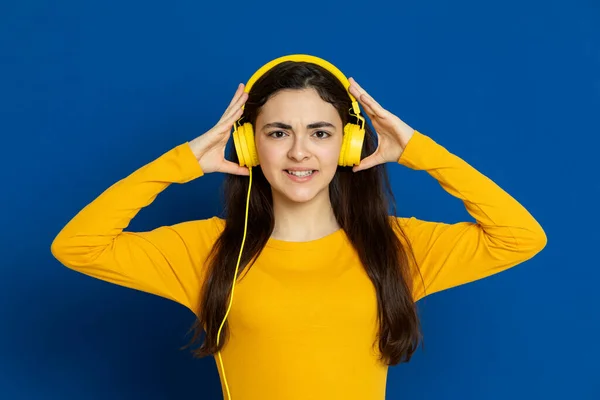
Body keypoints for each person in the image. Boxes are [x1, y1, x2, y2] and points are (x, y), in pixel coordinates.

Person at [51, 55, 547, 400]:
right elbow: (78, 246)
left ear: (348, 147)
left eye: (320, 133)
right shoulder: (208, 249)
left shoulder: (394, 248)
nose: (299, 152)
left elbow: (519, 236)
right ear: (249, 146)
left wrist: (419, 151)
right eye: (278, 132)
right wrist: (180, 163)